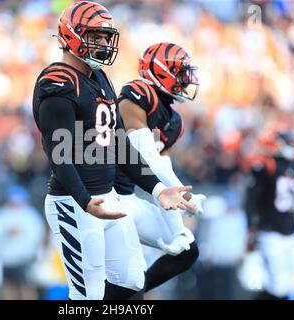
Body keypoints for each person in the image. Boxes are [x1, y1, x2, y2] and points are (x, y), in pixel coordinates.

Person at [32, 1, 196, 300]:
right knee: (87, 295)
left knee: (133, 280)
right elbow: (59, 154)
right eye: (98, 36)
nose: (105, 44)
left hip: (109, 197)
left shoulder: (99, 79)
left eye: (107, 37)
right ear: (72, 35)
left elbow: (121, 143)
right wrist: (84, 201)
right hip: (74, 202)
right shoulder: (57, 81)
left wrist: (158, 189)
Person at [114, 42, 206, 294]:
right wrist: (183, 193)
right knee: (124, 274)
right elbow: (145, 155)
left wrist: (178, 230)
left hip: (128, 200)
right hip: (104, 196)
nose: (187, 79)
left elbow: (163, 174)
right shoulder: (137, 94)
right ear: (161, 71)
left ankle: (131, 295)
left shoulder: (173, 120)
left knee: (187, 251)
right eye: (180, 72)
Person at [244, 124, 294, 300]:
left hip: (290, 231)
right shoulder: (265, 165)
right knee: (277, 286)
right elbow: (250, 200)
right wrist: (252, 227)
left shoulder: (293, 166)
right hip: (270, 230)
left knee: (291, 284)